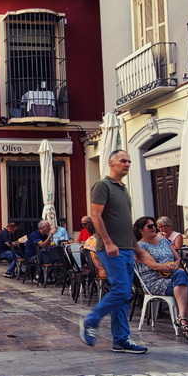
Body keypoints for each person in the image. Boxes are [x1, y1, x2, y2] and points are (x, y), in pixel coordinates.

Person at [79, 149, 148, 354]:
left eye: (129, 161)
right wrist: (108, 243)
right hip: (111, 248)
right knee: (121, 290)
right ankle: (90, 321)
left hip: (126, 248)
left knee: (123, 296)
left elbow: (124, 223)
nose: (126, 164)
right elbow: (96, 216)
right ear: (111, 163)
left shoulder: (123, 189)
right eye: (122, 161)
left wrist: (136, 247)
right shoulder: (102, 185)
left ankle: (121, 339)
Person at [133, 216, 188, 340]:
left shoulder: (165, 241)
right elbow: (155, 266)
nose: (154, 228)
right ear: (141, 230)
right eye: (150, 226)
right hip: (154, 281)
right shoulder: (140, 247)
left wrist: (176, 264)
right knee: (186, 281)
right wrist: (171, 266)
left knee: (186, 280)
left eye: (154, 226)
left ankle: (183, 319)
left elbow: (178, 258)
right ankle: (185, 320)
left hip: (173, 277)